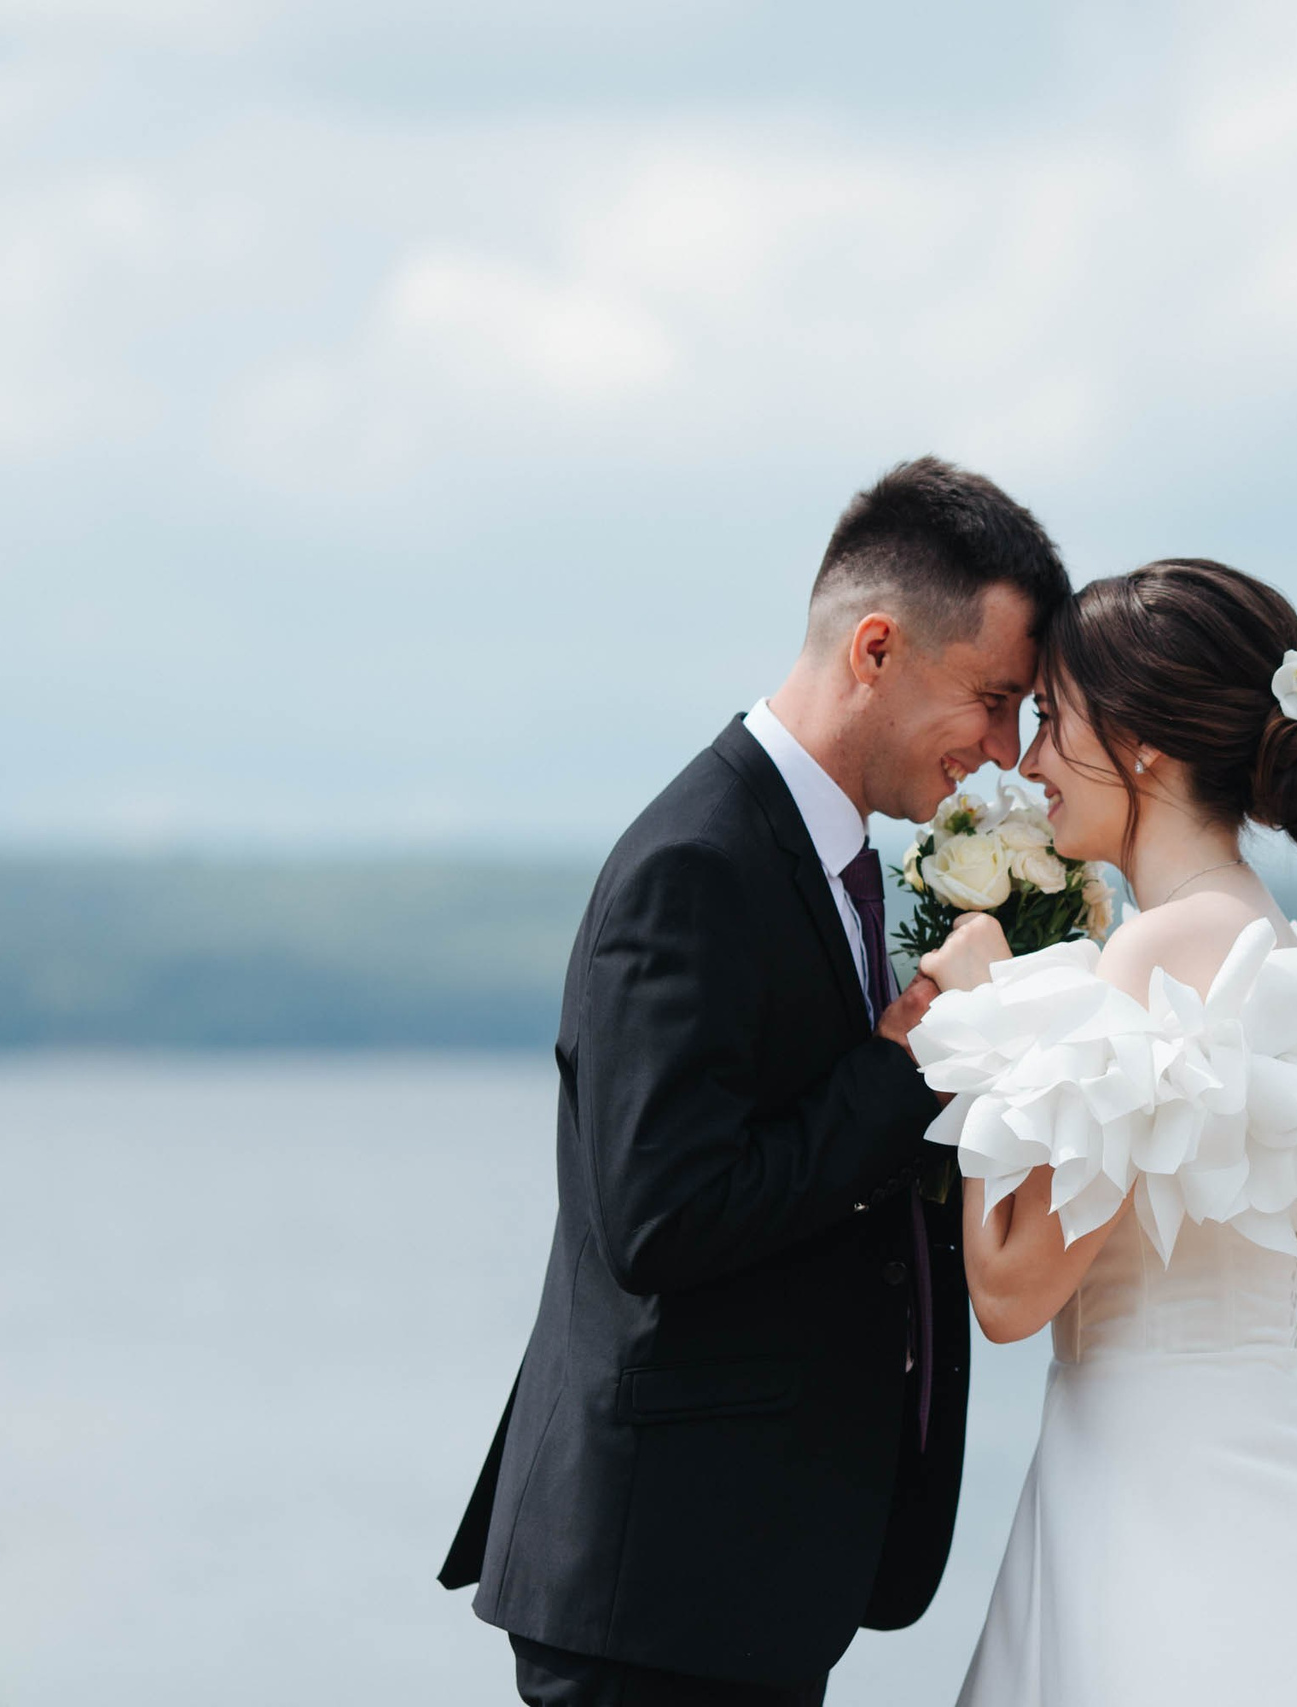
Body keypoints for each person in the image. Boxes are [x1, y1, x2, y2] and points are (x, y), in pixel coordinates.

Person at [436, 457, 1069, 1706]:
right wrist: (912, 1055)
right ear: (877, 649)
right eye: (993, 701)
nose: (1002, 753)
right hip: (657, 1581)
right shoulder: (696, 864)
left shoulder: (845, 862)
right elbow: (661, 1215)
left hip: (748, 1573)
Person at [910, 559, 1297, 1705]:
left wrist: (990, 1016)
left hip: (1161, 1492)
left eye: (1052, 720)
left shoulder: (1152, 954)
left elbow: (1011, 1294)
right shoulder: (1267, 935)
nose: (1028, 761)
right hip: (1242, 1449)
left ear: (1139, 743)